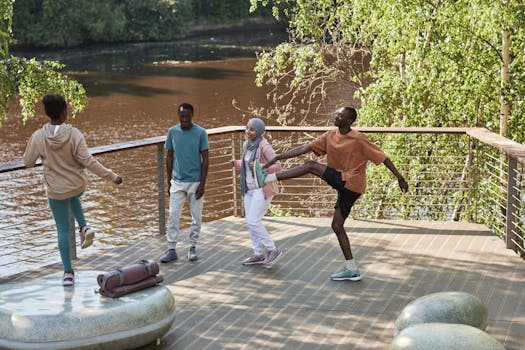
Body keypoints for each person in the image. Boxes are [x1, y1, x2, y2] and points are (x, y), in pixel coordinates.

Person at [253, 106, 409, 281]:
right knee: (337, 226)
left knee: (311, 166)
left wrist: (400, 178)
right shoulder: (330, 135)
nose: (336, 116)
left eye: (340, 116)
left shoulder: (358, 139)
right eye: (337, 113)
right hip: (346, 185)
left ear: (349, 121)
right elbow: (305, 148)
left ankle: (266, 179)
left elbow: (383, 157)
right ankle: (352, 269)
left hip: (352, 182)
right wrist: (278, 157)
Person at [23, 94, 123, 286]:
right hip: (77, 186)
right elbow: (89, 161)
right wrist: (112, 176)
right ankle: (84, 226)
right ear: (64, 113)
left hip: (56, 190)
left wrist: (44, 156)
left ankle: (68, 273)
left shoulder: (38, 136)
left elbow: (28, 162)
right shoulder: (74, 134)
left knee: (62, 230)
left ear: (48, 114)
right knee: (72, 194)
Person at [160, 103, 209, 263]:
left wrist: (202, 184)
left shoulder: (201, 133)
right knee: (173, 216)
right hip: (177, 182)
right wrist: (168, 181)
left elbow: (206, 159)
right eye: (182, 116)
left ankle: (193, 247)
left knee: (196, 217)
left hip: (195, 182)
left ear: (192, 115)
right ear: (178, 116)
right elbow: (169, 156)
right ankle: (171, 249)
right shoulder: (172, 132)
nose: (185, 119)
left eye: (188, 116)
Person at [232, 118, 283, 265]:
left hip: (262, 188)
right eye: (247, 128)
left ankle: (273, 249)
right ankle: (258, 253)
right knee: (250, 222)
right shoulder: (246, 145)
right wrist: (237, 163)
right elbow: (248, 164)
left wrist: (260, 166)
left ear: (259, 131)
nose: (248, 132)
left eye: (252, 129)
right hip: (249, 188)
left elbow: (277, 165)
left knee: (253, 221)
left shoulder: (264, 146)